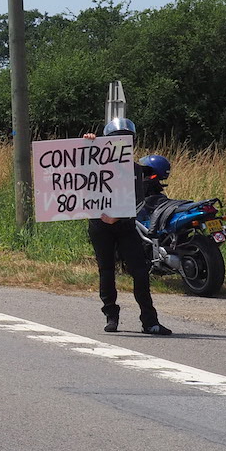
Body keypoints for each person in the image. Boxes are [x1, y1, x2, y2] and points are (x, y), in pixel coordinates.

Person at [83, 119, 172, 335]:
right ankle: (111, 316)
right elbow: (76, 178)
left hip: (125, 225)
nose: (120, 142)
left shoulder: (134, 168)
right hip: (99, 225)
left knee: (140, 272)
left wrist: (118, 217)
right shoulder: (94, 163)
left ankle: (149, 321)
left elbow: (139, 201)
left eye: (126, 138)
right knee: (106, 271)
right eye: (115, 138)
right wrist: (87, 145)